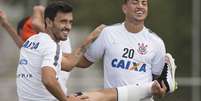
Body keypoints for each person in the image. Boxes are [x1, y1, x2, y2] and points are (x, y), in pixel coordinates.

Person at [74, 0, 177, 100]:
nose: (140, 6)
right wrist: (61, 60)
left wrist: (161, 91)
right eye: (135, 2)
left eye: (144, 3)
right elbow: (85, 62)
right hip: (112, 98)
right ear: (124, 8)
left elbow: (156, 83)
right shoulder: (108, 33)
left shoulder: (156, 42)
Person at [0, 5, 72, 95]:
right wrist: (5, 24)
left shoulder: (56, 35)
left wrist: (48, 13)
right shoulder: (41, 46)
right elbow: (24, 47)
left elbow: (36, 18)